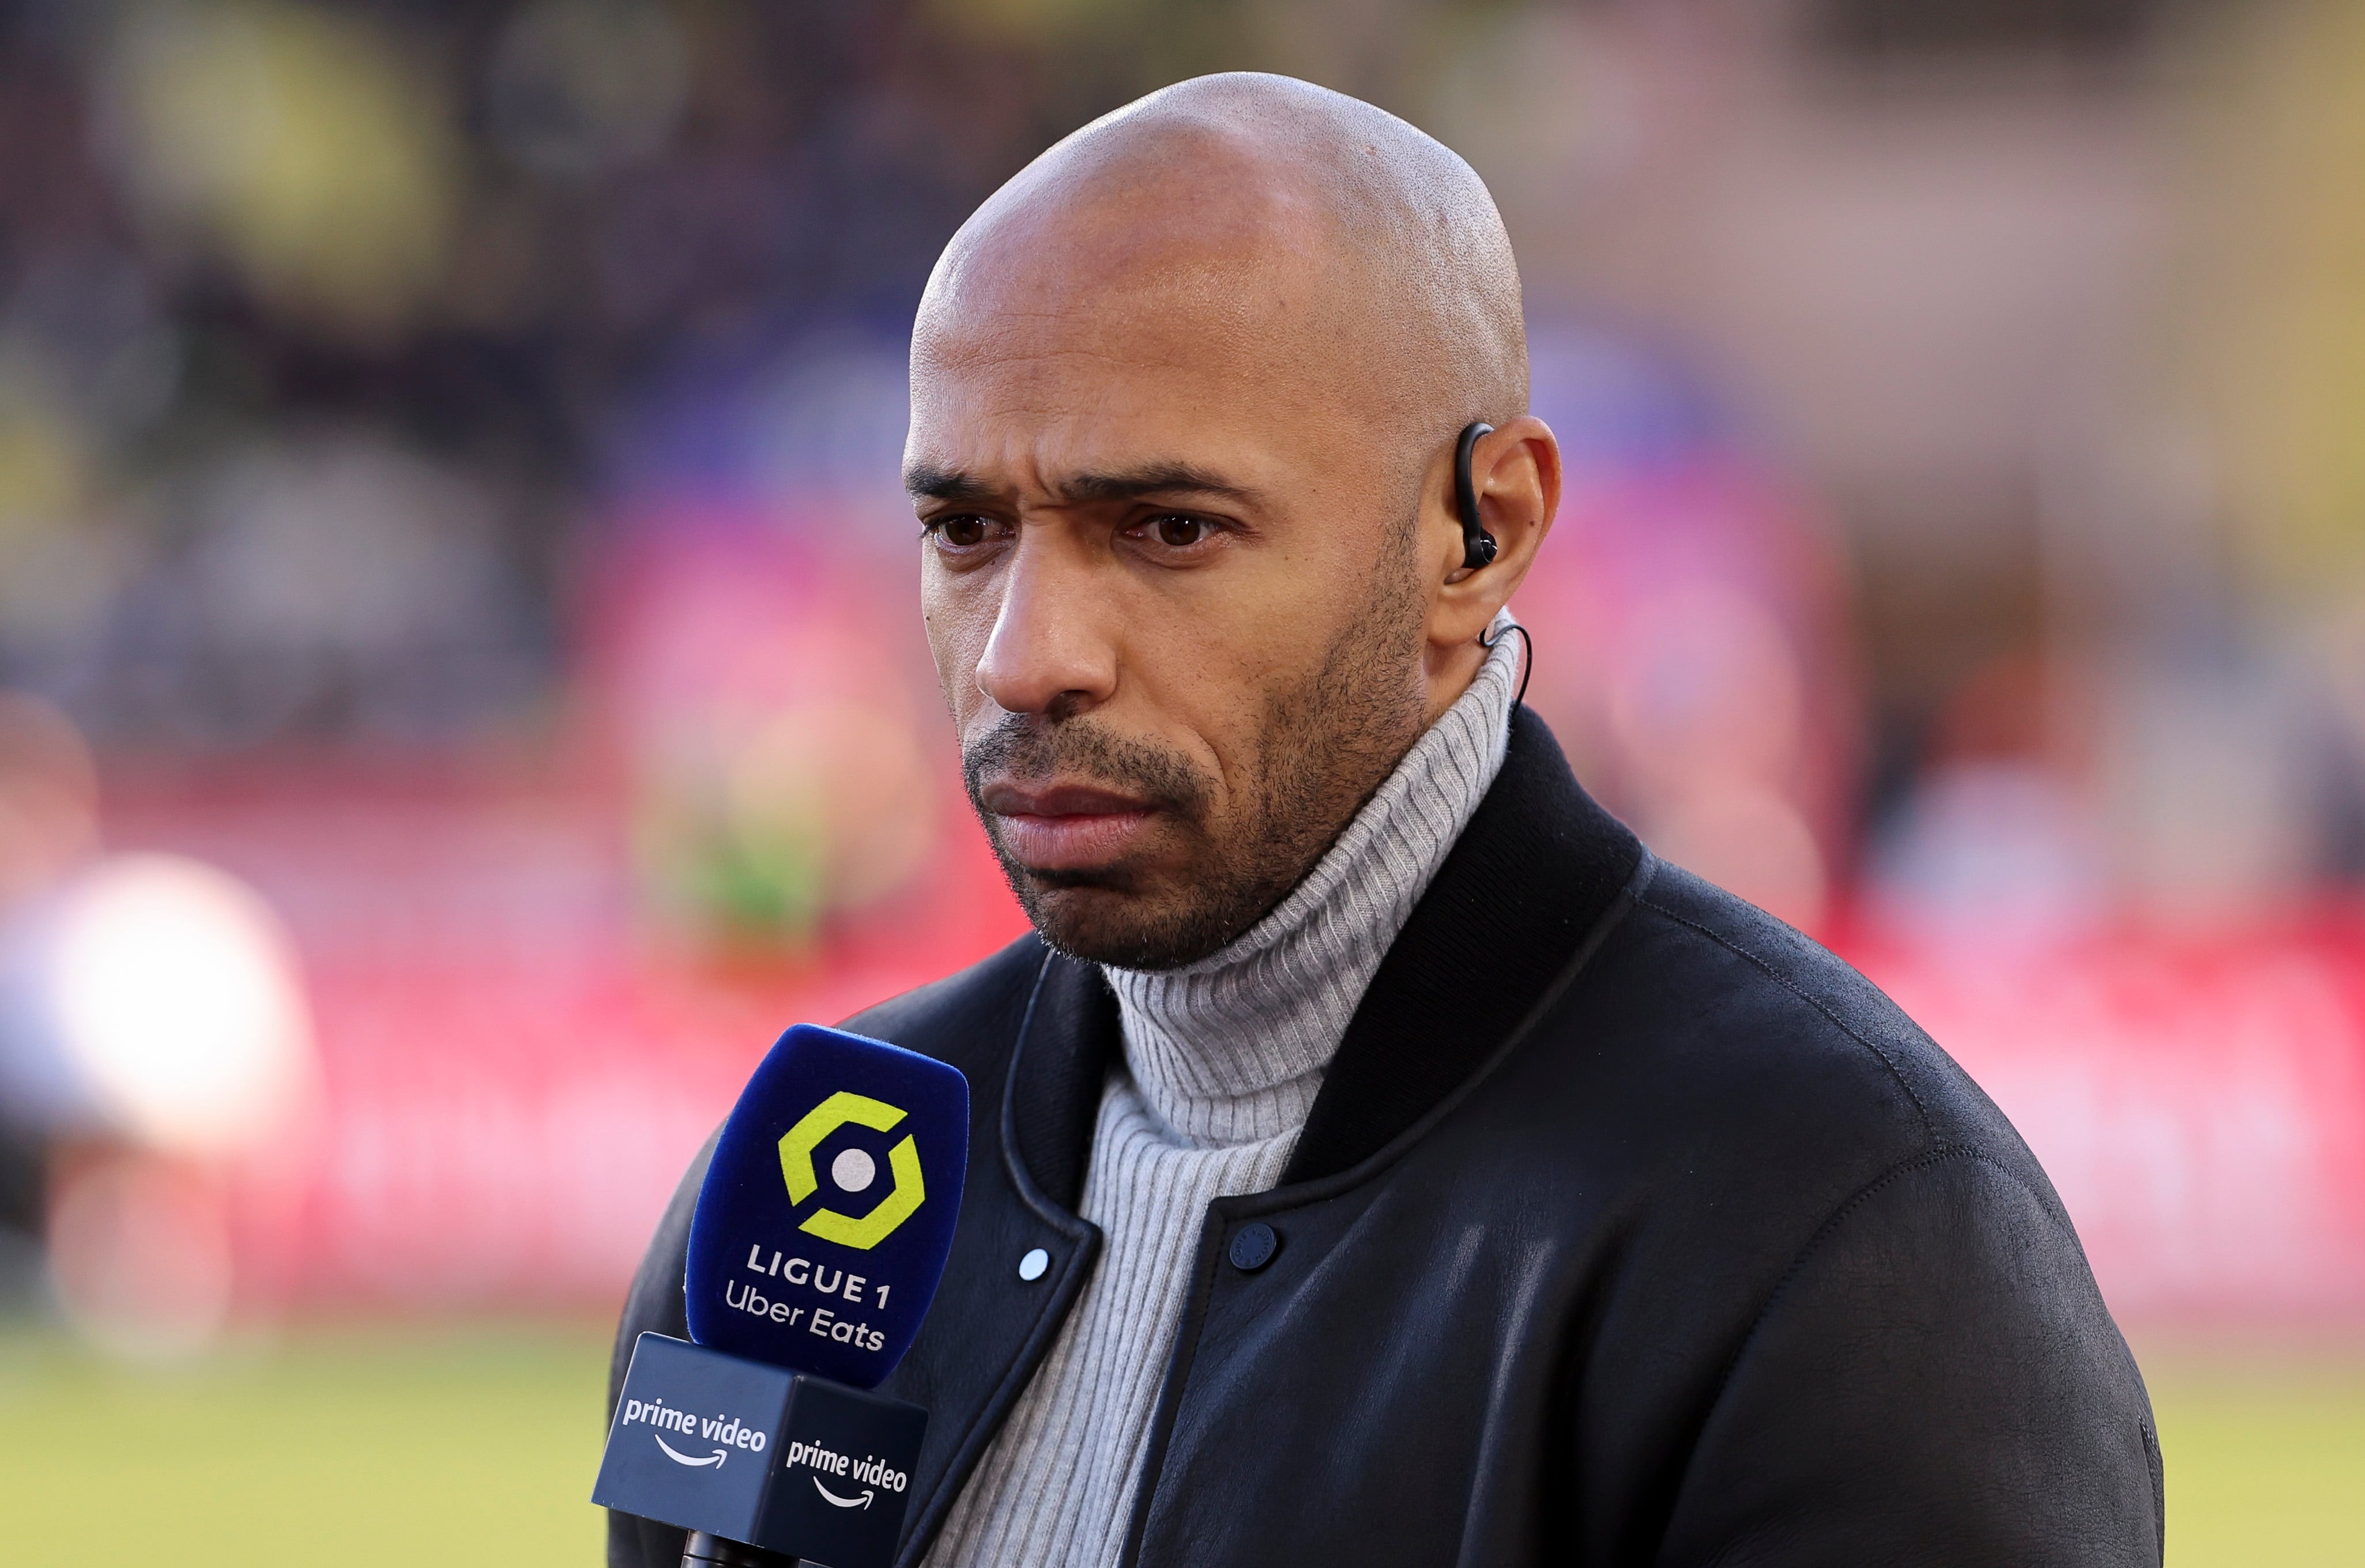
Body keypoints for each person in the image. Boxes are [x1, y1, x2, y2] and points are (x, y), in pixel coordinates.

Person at [608, 73, 2163, 1568]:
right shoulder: (818, 1170)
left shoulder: (1844, 1227)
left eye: (1166, 528)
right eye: (964, 530)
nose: (1026, 655)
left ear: (1480, 532)